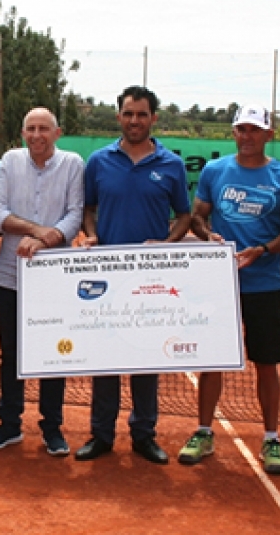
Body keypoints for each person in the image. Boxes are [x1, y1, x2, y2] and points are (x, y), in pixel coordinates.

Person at [76, 85, 191, 464]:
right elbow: (88, 208)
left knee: (146, 358)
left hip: (149, 279)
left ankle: (144, 434)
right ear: (119, 116)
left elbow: (185, 216)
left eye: (142, 114)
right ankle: (101, 435)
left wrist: (167, 242)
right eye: (128, 113)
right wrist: (91, 234)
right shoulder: (98, 161)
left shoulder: (172, 165)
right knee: (106, 358)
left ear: (153, 118)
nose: (135, 121)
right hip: (106, 276)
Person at [177, 104, 280, 474]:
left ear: (268, 135)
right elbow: (197, 215)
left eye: (255, 130)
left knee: (267, 364)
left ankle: (271, 438)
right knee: (213, 361)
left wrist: (263, 250)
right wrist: (207, 234)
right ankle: (203, 432)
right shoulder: (215, 171)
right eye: (241, 129)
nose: (247, 136)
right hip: (219, 284)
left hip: (265, 284)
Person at [0, 107, 83, 456]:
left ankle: (52, 427)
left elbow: (75, 214)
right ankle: (10, 424)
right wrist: (37, 230)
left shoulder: (73, 164)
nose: (37, 134)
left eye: (44, 128)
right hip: (11, 275)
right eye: (30, 128)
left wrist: (45, 241)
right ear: (22, 133)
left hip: (55, 277)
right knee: (11, 353)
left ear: (57, 133)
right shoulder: (10, 160)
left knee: (54, 354)